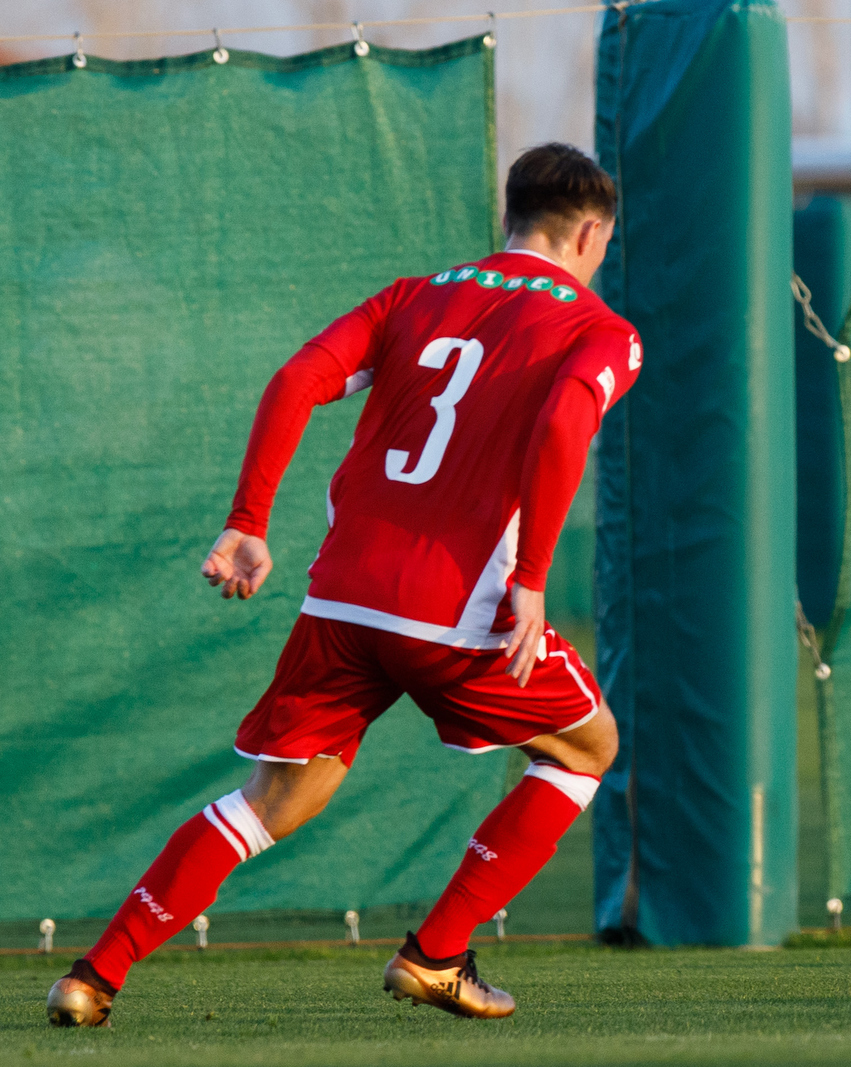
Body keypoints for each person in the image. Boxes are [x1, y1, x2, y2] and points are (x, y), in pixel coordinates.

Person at [46, 144, 641, 1027]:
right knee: (587, 748)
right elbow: (560, 423)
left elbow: (296, 379)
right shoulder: (601, 330)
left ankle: (94, 973)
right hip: (458, 609)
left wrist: (249, 521)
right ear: (592, 233)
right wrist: (530, 580)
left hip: (341, 600)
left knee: (276, 797)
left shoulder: (413, 294)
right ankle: (435, 954)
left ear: (510, 215)